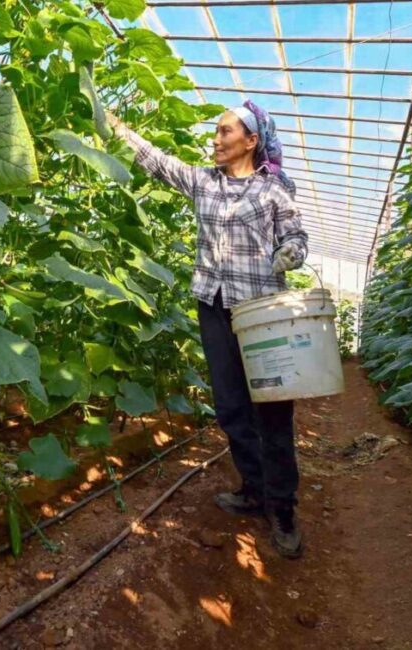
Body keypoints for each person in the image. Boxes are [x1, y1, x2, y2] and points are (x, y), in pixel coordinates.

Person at [107, 101, 309, 558]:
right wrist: (117, 127)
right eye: (215, 133)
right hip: (214, 306)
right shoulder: (203, 182)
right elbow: (156, 162)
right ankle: (254, 489)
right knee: (231, 406)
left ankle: (283, 510)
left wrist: (289, 254)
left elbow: (297, 236)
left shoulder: (274, 190)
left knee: (273, 412)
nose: (215, 140)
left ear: (251, 141)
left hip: (260, 311)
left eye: (224, 132)